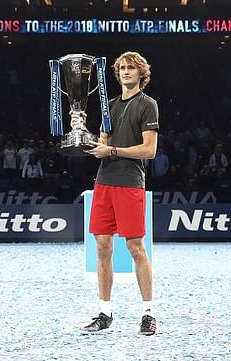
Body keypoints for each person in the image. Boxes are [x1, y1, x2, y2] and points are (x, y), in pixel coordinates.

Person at [71, 51, 159, 335]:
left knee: (136, 249)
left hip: (130, 182)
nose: (125, 72)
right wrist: (81, 131)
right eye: (121, 68)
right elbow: (102, 144)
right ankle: (105, 312)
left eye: (131, 68)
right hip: (104, 181)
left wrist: (112, 150)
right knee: (102, 247)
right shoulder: (108, 106)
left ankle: (148, 313)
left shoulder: (148, 105)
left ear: (141, 73)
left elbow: (149, 150)